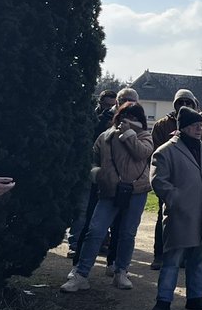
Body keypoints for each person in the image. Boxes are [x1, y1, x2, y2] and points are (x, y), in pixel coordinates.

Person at [62, 103, 154, 293]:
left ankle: (121, 272)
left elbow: (142, 153)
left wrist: (129, 134)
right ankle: (81, 274)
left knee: (127, 234)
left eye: (134, 116)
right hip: (109, 190)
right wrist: (97, 174)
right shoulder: (105, 137)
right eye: (124, 115)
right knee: (95, 231)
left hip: (136, 190)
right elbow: (93, 158)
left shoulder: (145, 136)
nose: (128, 119)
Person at [149, 106, 202, 310]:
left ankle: (195, 297)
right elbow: (158, 181)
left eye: (201, 125)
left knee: (198, 259)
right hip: (181, 214)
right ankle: (163, 299)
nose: (199, 129)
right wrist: (177, 201)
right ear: (183, 128)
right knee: (172, 259)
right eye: (194, 126)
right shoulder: (165, 151)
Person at [150, 89, 202, 270]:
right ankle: (160, 255)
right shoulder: (162, 125)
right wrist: (174, 196)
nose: (184, 106)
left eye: (188, 102)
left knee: (198, 225)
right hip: (174, 185)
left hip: (199, 190)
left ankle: (191, 257)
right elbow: (157, 154)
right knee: (166, 222)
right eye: (180, 102)